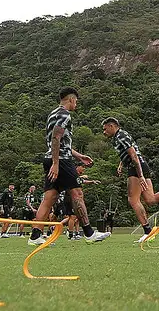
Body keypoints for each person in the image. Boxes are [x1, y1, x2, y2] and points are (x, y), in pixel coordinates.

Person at [28, 87, 110, 245]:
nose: (76, 104)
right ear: (71, 99)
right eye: (76, 101)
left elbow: (60, 142)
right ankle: (89, 233)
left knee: (49, 198)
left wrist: (79, 156)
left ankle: (35, 236)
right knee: (77, 193)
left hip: (52, 158)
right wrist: (56, 164)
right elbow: (56, 138)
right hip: (62, 161)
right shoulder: (65, 114)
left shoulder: (52, 114)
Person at [101, 117, 159, 243]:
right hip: (141, 165)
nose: (104, 132)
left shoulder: (120, 135)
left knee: (133, 200)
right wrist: (121, 165)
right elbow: (127, 152)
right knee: (150, 199)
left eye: (105, 129)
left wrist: (140, 175)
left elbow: (133, 155)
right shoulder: (119, 136)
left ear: (112, 126)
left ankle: (148, 232)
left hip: (136, 167)